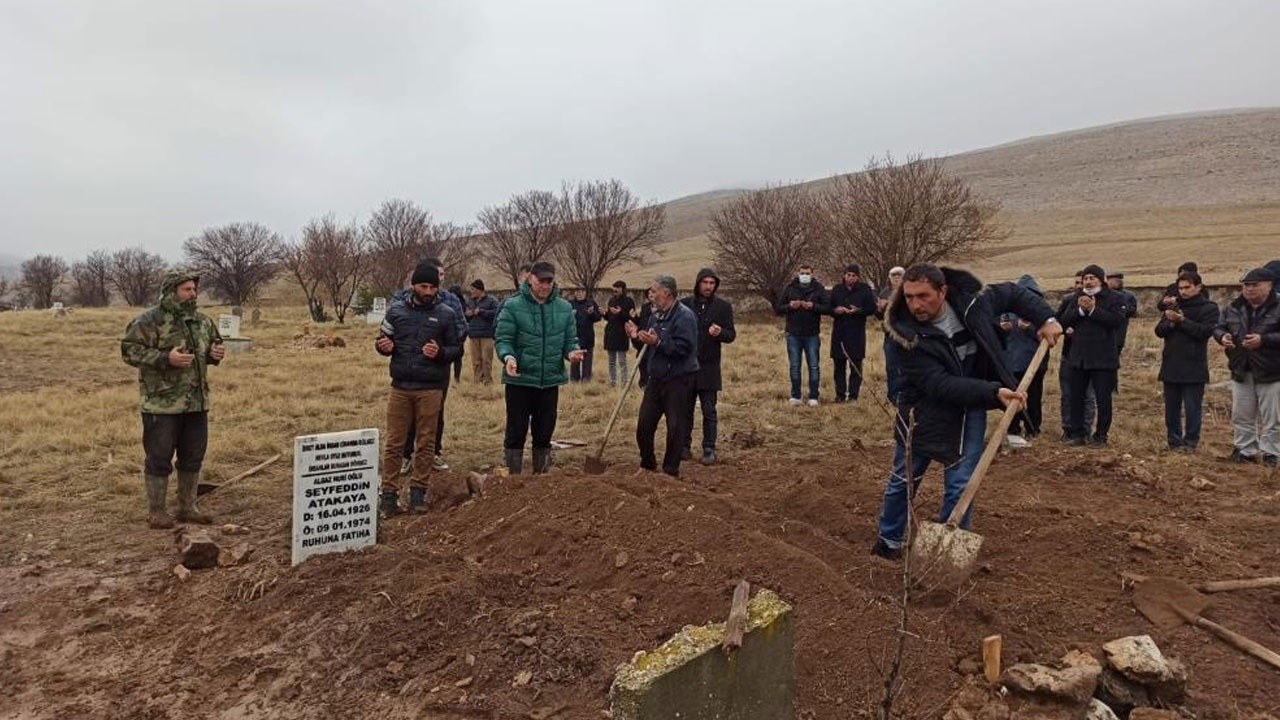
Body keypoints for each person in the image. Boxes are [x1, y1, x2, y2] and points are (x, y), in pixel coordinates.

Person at [872, 264, 1059, 559]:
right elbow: (937, 383)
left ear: (943, 291)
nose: (915, 305)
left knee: (961, 484)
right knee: (905, 478)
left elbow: (1013, 293)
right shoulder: (903, 334)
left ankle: (945, 555)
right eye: (908, 297)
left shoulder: (974, 303)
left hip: (969, 406)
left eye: (923, 296)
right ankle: (889, 540)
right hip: (921, 411)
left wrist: (1046, 318)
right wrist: (992, 392)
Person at [121, 270, 226, 529]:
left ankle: (187, 507)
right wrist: (165, 358)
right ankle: (157, 512)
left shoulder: (202, 322)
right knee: (159, 457)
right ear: (171, 292)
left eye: (194, 289)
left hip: (196, 403)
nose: (193, 293)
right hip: (162, 404)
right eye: (186, 289)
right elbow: (129, 351)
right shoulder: (148, 321)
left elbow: (211, 349)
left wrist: (215, 354)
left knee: (193, 456)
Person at [374, 263, 462, 516]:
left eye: (433, 287)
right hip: (400, 387)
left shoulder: (446, 314)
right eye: (424, 286)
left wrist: (440, 353)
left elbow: (457, 349)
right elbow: (381, 339)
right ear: (413, 286)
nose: (428, 291)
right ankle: (389, 496)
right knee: (394, 443)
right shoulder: (396, 312)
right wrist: (383, 346)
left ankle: (418, 494)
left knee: (426, 443)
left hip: (430, 388)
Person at [494, 261, 585, 474]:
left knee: (544, 431)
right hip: (520, 379)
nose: (545, 286)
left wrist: (572, 353)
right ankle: (512, 475)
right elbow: (503, 338)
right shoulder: (512, 306)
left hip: (550, 380)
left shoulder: (564, 308)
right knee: (516, 431)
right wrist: (508, 357)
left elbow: (570, 340)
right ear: (530, 279)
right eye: (540, 281)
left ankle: (542, 477)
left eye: (549, 281)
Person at [393, 258, 468, 473]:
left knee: (436, 413)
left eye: (441, 276)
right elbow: (391, 329)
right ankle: (406, 455)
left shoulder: (450, 301)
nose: (436, 282)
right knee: (407, 416)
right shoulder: (401, 300)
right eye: (434, 275)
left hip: (437, 369)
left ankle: (433, 453)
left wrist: (442, 348)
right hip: (407, 368)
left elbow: (461, 330)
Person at [628, 275, 699, 477]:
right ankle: (648, 464)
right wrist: (636, 337)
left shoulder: (684, 316)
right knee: (644, 426)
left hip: (679, 380)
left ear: (667, 293)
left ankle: (670, 471)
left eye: (655, 291)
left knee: (675, 427)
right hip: (656, 379)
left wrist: (659, 343)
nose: (652, 295)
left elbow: (685, 349)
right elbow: (648, 346)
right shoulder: (655, 315)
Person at [1214, 267, 1280, 466]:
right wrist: (1222, 337)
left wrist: (1264, 340)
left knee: (1273, 416)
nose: (1249, 289)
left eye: (1255, 285)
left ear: (1269, 285)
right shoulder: (1233, 307)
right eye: (1246, 285)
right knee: (1242, 413)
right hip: (1241, 367)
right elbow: (1219, 326)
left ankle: (1272, 453)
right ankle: (1245, 451)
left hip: (1272, 369)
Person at [1057, 265, 1126, 447]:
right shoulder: (1076, 298)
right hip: (1079, 357)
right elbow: (1063, 321)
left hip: (1103, 359)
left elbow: (1116, 321)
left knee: (1103, 400)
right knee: (1076, 397)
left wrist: (1094, 310)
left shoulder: (1114, 298)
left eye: (1092, 278)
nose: (1088, 281)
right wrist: (1080, 311)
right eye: (1086, 278)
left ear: (1101, 280)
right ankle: (1077, 434)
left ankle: (1101, 436)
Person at [1155, 271, 1220, 452]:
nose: (1182, 291)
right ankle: (1174, 441)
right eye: (1180, 288)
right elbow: (1159, 331)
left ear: (1198, 287)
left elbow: (1204, 332)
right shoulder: (1174, 306)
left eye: (1187, 287)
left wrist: (1182, 321)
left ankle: (1190, 442)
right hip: (1171, 363)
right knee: (1171, 409)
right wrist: (1171, 322)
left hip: (1194, 365)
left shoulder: (1209, 308)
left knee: (1192, 408)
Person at [679, 268, 736, 465]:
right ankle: (684, 446)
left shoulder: (723, 307)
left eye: (712, 283)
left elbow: (731, 335)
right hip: (687, 365)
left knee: (709, 409)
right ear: (698, 283)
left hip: (709, 367)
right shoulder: (684, 305)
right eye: (705, 282)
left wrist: (720, 332)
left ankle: (709, 447)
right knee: (685, 408)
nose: (708, 287)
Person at [999, 275, 1050, 441]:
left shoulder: (1041, 310)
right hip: (1011, 361)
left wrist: (1031, 328)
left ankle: (1033, 428)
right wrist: (1002, 329)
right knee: (1012, 396)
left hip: (1033, 362)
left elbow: (1049, 336)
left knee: (1033, 397)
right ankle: (1013, 428)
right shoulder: (1007, 309)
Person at [776, 263, 829, 406]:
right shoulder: (790, 288)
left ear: (812, 274)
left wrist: (814, 306)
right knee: (794, 366)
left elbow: (827, 307)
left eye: (807, 273)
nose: (804, 275)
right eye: (802, 273)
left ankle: (813, 396)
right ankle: (796, 395)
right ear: (798, 273)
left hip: (812, 334)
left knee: (813, 366)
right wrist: (790, 306)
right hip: (793, 334)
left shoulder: (819, 289)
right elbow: (778, 309)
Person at [828, 264, 879, 403]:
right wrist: (835, 310)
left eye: (854, 276)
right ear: (844, 275)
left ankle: (853, 396)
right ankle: (840, 395)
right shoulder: (837, 289)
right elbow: (829, 307)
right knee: (839, 365)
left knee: (856, 365)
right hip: (839, 331)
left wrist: (858, 311)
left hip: (856, 332)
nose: (850, 278)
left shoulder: (865, 289)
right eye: (848, 275)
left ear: (858, 277)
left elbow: (872, 309)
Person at [1056, 272, 1096, 437]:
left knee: (1087, 396)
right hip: (1069, 354)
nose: (1080, 285)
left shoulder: (1097, 302)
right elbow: (1058, 322)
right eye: (1077, 282)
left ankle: (1085, 430)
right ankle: (1068, 428)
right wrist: (1066, 330)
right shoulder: (1068, 301)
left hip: (1090, 356)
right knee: (1067, 395)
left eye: (1083, 282)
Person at [876, 266, 906, 403]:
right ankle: (892, 396)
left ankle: (905, 395)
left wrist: (892, 304)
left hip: (906, 336)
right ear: (889, 277)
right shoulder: (884, 292)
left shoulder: (909, 291)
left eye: (899, 275)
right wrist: (880, 308)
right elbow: (879, 315)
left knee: (906, 367)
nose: (896, 278)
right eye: (893, 275)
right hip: (889, 335)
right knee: (891, 367)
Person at [603, 280, 637, 387]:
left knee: (622, 361)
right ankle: (613, 382)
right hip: (610, 333)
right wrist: (604, 314)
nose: (615, 290)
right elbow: (609, 317)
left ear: (623, 289)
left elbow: (631, 318)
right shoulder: (611, 300)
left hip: (622, 334)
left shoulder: (629, 301)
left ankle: (624, 382)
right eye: (614, 288)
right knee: (611, 361)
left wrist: (620, 313)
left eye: (617, 288)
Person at [465, 279, 499, 384]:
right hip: (473, 335)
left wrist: (482, 312)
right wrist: (468, 314)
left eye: (473, 289)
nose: (471, 291)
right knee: (476, 360)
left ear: (480, 290)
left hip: (487, 335)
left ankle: (488, 380)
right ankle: (477, 380)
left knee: (486, 359)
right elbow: (465, 315)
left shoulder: (492, 300)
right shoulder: (470, 301)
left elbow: (497, 313)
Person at [569, 287, 602, 382]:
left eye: (582, 292)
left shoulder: (591, 303)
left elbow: (598, 318)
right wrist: (571, 316)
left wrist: (591, 313)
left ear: (585, 293)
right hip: (574, 336)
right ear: (574, 293)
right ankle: (574, 379)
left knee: (587, 360)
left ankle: (586, 379)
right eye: (577, 292)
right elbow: (563, 319)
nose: (579, 294)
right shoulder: (570, 304)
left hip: (588, 336)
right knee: (575, 359)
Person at [1106, 271, 1140, 355]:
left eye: (1117, 280)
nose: (1113, 283)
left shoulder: (1128, 295)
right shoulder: (1104, 294)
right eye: (1111, 280)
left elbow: (1133, 311)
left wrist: (1122, 309)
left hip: (1120, 330)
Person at [447, 284, 467, 382]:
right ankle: (456, 378)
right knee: (456, 358)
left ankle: (456, 378)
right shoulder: (461, 304)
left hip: (456, 334)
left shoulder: (459, 304)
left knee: (455, 357)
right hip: (457, 334)